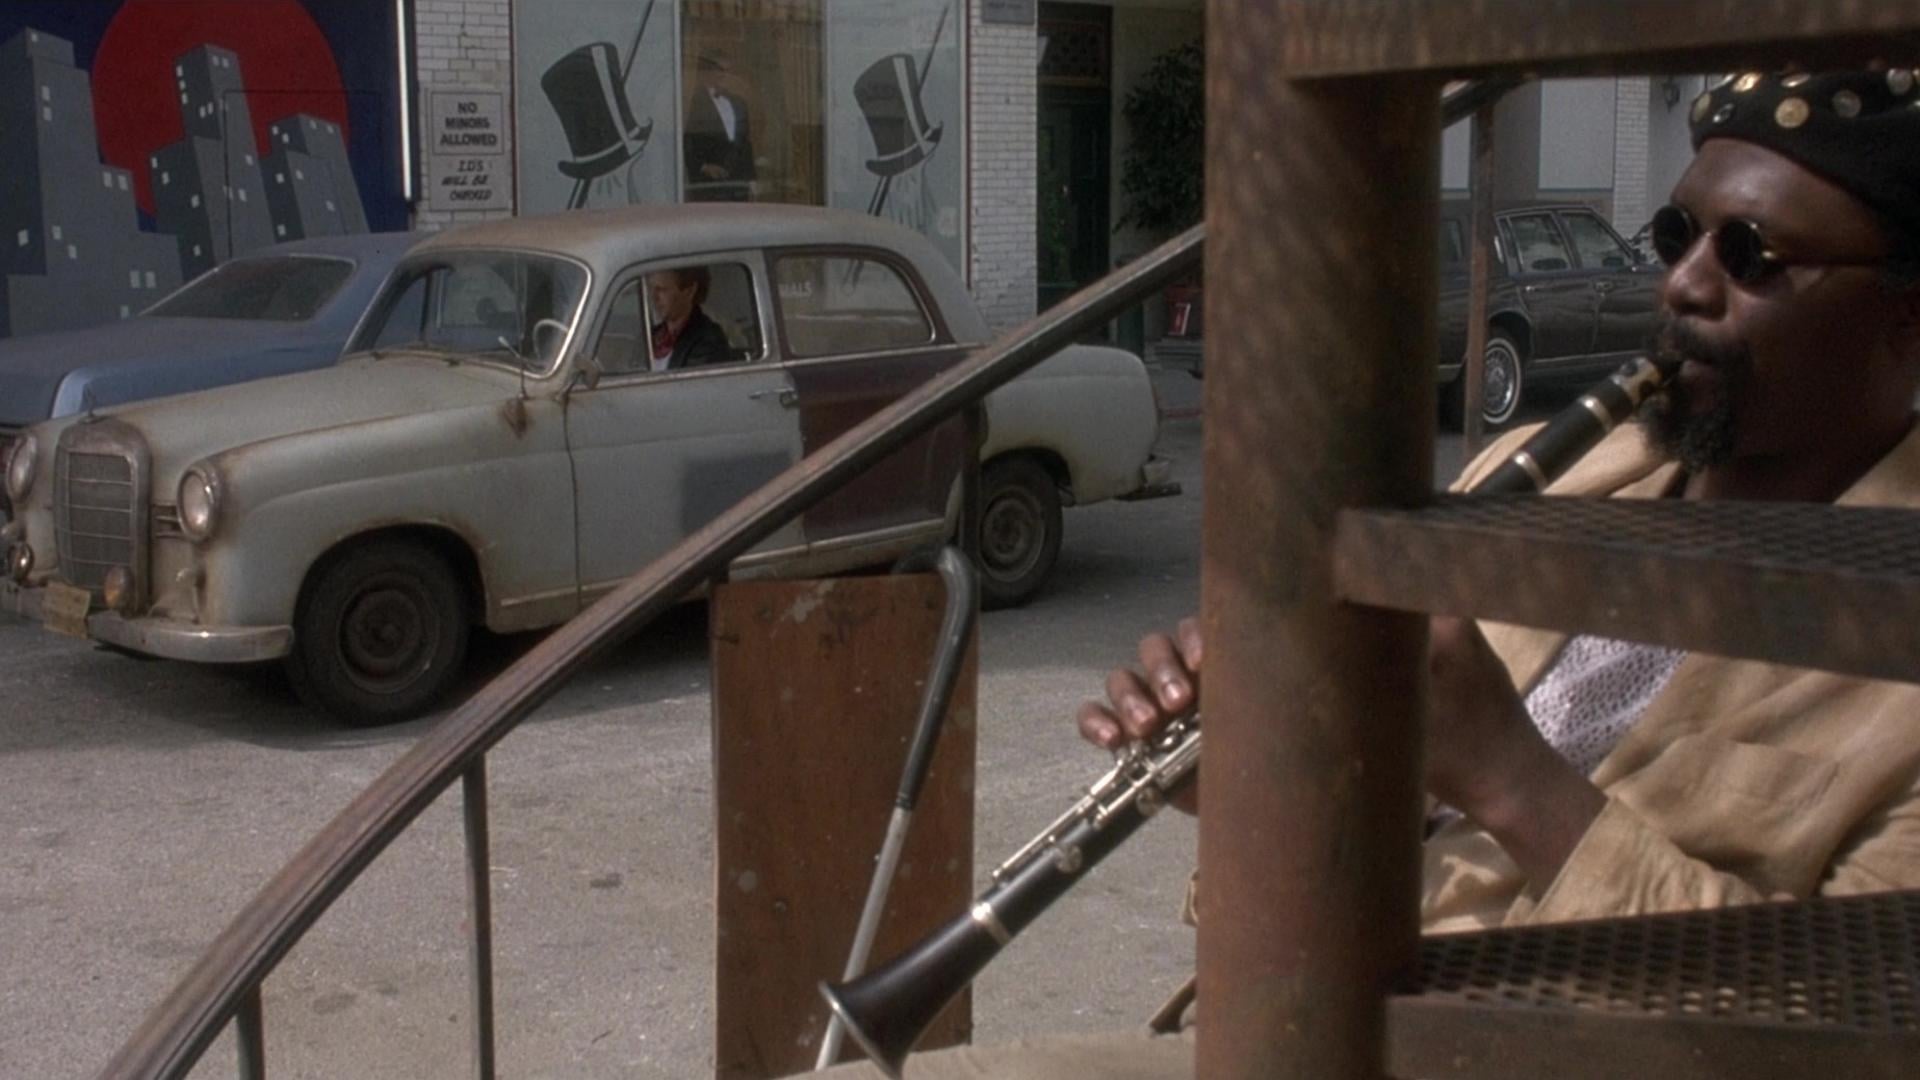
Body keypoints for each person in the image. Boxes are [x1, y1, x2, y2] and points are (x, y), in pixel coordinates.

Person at [1080, 69, 1920, 935]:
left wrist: (1508, 776)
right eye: (1676, 237)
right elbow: (1369, 812)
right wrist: (1262, 779)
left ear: (1908, 313)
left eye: (1749, 255)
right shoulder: (1545, 471)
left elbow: (1842, 1001)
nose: (1684, 286)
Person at [685, 52, 755, 202]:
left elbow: (745, 143)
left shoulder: (739, 103)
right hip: (709, 186)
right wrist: (703, 167)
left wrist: (751, 180)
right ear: (706, 73)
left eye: (728, 70)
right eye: (719, 69)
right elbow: (686, 141)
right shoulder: (692, 101)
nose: (724, 75)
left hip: (738, 185)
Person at [648, 266, 731, 371]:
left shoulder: (709, 340)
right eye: (652, 289)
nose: (654, 297)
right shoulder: (651, 335)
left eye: (662, 289)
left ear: (690, 291)